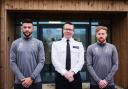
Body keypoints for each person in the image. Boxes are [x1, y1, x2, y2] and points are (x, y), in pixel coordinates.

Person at [10, 18, 45, 89]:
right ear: (21, 28)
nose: (27, 29)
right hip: (19, 82)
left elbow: (41, 62)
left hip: (36, 82)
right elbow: (12, 62)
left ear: (33, 29)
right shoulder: (15, 43)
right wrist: (22, 78)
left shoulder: (39, 43)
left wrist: (31, 78)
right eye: (25, 27)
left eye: (29, 27)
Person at [52, 22, 84, 89]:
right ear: (63, 30)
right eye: (66, 29)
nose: (68, 31)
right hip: (61, 76)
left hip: (75, 76)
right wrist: (65, 73)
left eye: (70, 29)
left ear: (73, 31)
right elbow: (55, 61)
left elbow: (81, 61)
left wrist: (72, 72)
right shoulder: (56, 44)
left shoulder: (79, 44)